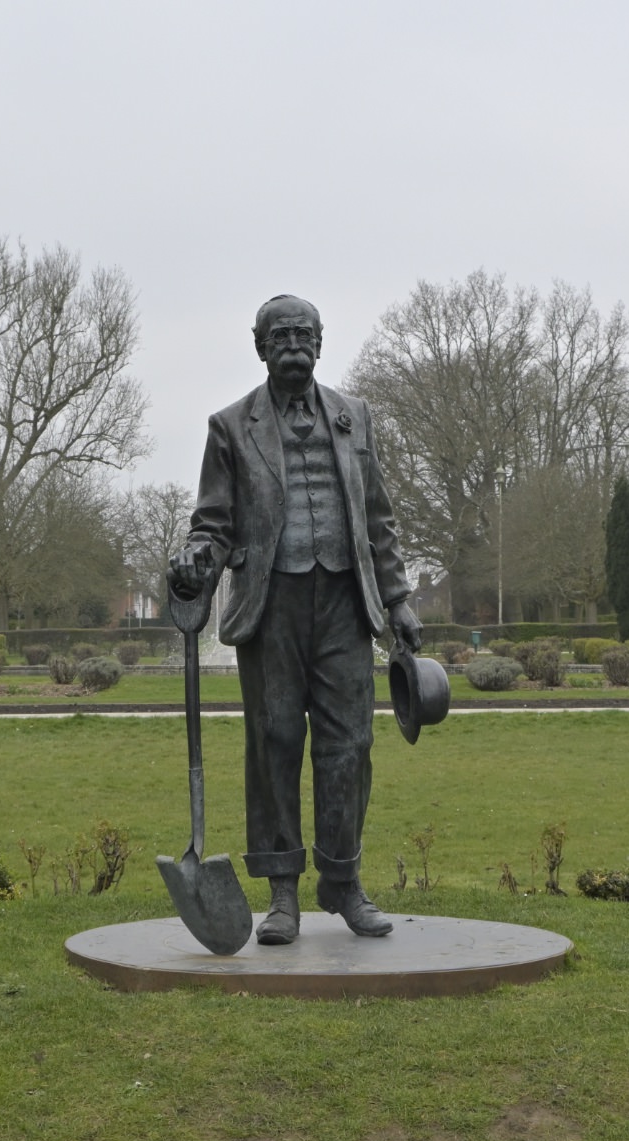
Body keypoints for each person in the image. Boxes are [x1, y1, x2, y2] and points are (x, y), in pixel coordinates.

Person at [168, 294, 422, 944]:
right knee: (275, 740)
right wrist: (197, 560)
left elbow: (379, 519)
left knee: (350, 745)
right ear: (260, 347)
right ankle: (282, 891)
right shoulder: (231, 427)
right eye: (279, 336)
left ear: (320, 342)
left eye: (303, 334)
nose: (292, 345)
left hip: (344, 603)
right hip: (272, 603)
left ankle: (343, 880)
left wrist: (398, 599)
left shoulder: (354, 417)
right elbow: (214, 523)